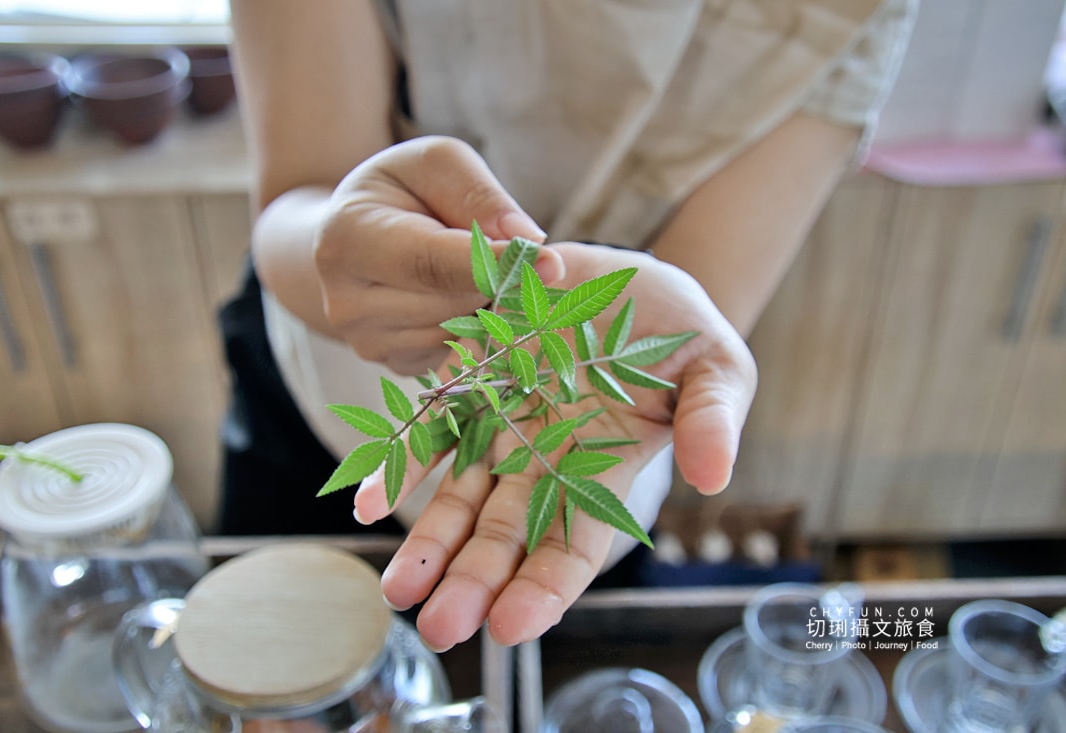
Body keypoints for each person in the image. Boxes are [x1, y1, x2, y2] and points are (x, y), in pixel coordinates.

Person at [220, 0, 917, 653]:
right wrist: (340, 249)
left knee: (537, 649)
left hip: (598, 437)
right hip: (313, 378)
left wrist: (646, 335)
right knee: (274, 651)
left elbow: (690, 312)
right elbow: (293, 198)